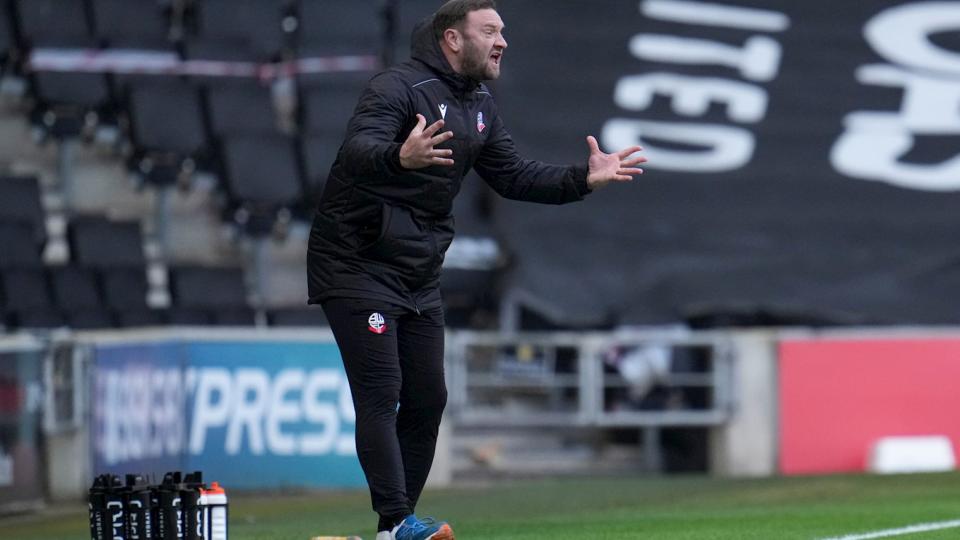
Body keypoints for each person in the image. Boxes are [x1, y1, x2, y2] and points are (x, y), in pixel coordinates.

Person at [307, 1, 646, 538]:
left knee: (429, 398)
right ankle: (398, 522)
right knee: (381, 392)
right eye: (489, 31)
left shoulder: (479, 104)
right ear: (452, 39)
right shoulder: (395, 88)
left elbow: (513, 176)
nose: (502, 41)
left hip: (417, 270)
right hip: (356, 262)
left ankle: (392, 529)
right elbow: (356, 150)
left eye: (502, 31)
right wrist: (399, 156)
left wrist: (582, 179)